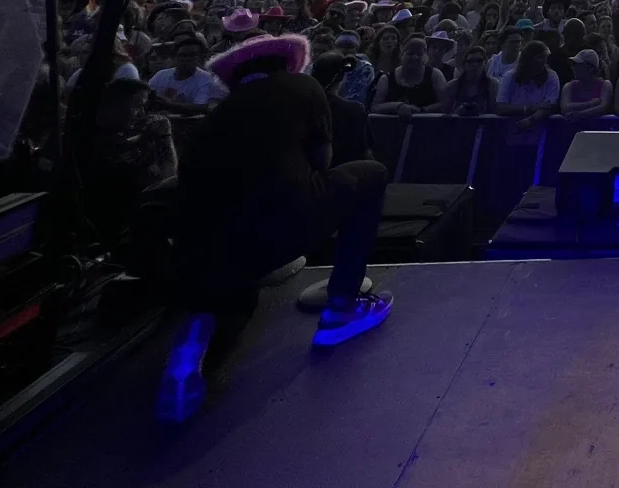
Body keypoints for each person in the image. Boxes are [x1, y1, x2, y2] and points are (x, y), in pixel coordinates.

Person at [159, 33, 391, 424]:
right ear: (287, 65)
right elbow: (323, 160)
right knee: (372, 176)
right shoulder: (302, 86)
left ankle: (188, 349)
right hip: (275, 226)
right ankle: (341, 309)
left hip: (196, 252)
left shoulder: (218, 115)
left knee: (217, 303)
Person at [147, 35, 228, 115]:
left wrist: (168, 105)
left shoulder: (208, 80)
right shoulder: (161, 75)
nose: (187, 59)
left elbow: (201, 108)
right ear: (174, 57)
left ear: (200, 58)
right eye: (183, 55)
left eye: (193, 55)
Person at [369, 35, 446, 116]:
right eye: (410, 53)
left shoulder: (435, 75)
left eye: (419, 54)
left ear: (425, 57)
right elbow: (374, 107)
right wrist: (396, 106)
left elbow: (445, 103)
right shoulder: (387, 79)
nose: (415, 57)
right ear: (402, 54)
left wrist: (422, 110)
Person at [495, 41, 561, 131]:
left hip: (541, 131)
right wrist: (527, 109)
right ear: (529, 59)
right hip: (512, 129)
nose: (544, 61)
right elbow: (500, 107)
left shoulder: (552, 76)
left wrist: (531, 119)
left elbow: (550, 106)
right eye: (540, 57)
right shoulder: (509, 76)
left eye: (546, 57)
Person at [441, 45, 499, 116]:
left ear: (485, 62)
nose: (475, 64)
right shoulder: (452, 86)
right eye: (470, 61)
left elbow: (495, 112)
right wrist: (458, 112)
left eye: (479, 61)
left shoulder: (493, 85)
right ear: (464, 64)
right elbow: (445, 114)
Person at [559, 49, 613, 119]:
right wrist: (591, 104)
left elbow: (603, 108)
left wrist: (579, 114)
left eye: (577, 64)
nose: (573, 68)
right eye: (572, 64)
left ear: (591, 68)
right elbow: (564, 108)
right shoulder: (568, 86)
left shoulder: (606, 85)